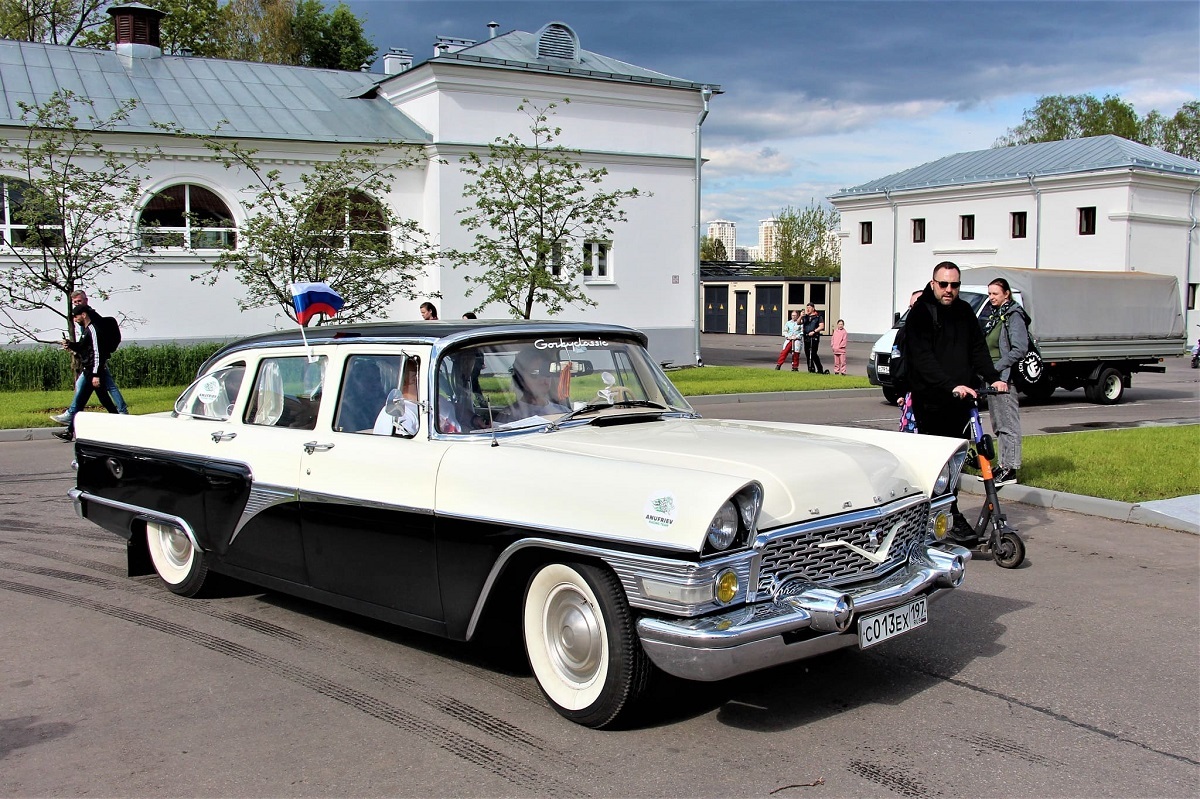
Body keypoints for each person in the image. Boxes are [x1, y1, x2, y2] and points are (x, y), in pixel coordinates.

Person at [905, 261, 1006, 538]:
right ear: (933, 283)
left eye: (955, 285)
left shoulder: (963, 311)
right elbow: (922, 359)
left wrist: (993, 376)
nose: (949, 290)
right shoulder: (921, 314)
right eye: (944, 284)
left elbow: (977, 349)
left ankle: (949, 513)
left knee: (956, 464)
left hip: (960, 401)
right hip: (932, 401)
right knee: (937, 467)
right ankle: (940, 517)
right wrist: (950, 385)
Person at [50, 290, 128, 426]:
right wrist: (72, 346)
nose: (76, 305)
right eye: (74, 302)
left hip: (95, 364)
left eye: (79, 302)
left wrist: (96, 370)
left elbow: (95, 348)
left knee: (95, 389)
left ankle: (72, 416)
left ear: (86, 302)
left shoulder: (92, 322)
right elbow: (85, 345)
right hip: (93, 365)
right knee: (102, 392)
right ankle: (120, 414)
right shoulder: (84, 322)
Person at [982, 278, 1028, 485]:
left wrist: (996, 368)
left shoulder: (1013, 315)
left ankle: (1011, 468)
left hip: (1004, 377)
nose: (991, 297)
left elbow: (1020, 348)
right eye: (990, 294)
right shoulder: (996, 315)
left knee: (1008, 423)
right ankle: (1003, 464)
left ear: (1006, 294)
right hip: (992, 377)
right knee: (999, 423)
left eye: (995, 294)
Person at [56, 305, 120, 440]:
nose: (75, 319)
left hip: (93, 372)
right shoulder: (86, 331)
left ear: (84, 315)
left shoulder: (93, 330)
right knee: (88, 401)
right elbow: (83, 347)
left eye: (76, 316)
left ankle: (121, 425)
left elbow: (97, 353)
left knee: (94, 400)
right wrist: (70, 344)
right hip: (90, 371)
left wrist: (96, 375)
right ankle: (69, 431)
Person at [505, 347, 569, 422]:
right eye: (534, 374)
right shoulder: (508, 416)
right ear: (520, 379)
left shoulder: (564, 412)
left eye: (547, 373)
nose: (543, 380)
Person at [801, 303, 827, 373]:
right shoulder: (805, 317)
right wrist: (801, 316)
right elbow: (798, 322)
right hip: (806, 337)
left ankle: (820, 368)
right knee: (807, 353)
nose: (808, 309)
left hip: (814, 337)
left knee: (813, 353)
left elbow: (821, 326)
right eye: (807, 308)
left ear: (813, 308)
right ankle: (811, 369)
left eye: (809, 308)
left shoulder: (818, 317)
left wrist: (814, 331)